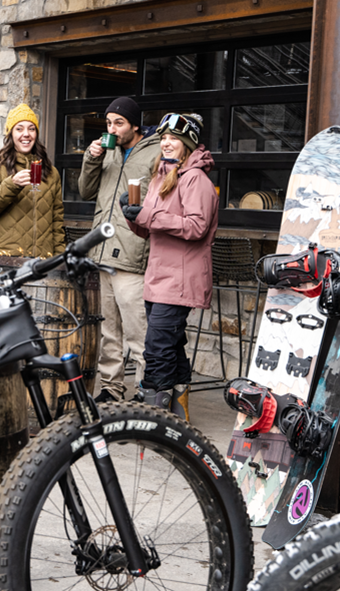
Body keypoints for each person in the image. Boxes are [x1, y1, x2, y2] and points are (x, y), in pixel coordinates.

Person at [122, 113, 218, 421]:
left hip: (181, 279)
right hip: (159, 276)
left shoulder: (196, 179)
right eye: (163, 138)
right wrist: (132, 214)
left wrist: (147, 215)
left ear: (187, 145)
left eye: (174, 139)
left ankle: (154, 417)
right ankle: (178, 414)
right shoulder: (160, 177)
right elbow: (149, 230)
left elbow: (196, 227)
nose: (166, 143)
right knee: (171, 346)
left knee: (158, 347)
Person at [78, 97, 159, 403]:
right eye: (108, 123)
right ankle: (111, 388)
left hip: (131, 252)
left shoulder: (153, 152)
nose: (111, 129)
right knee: (108, 331)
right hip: (102, 249)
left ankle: (145, 391)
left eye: (118, 123)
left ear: (135, 124)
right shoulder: (106, 150)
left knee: (138, 331)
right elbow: (85, 191)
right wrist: (91, 157)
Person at [0, 104, 64, 274]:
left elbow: (57, 222)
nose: (26, 134)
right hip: (4, 262)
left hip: (41, 263)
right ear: (11, 134)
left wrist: (59, 260)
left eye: (31, 129)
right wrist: (11, 185)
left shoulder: (51, 173)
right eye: (19, 128)